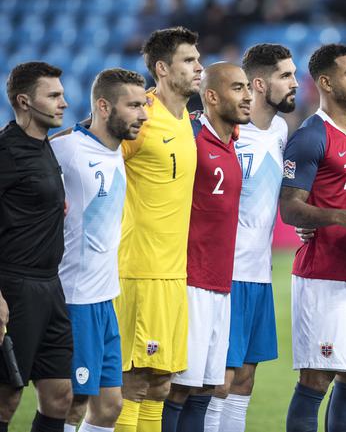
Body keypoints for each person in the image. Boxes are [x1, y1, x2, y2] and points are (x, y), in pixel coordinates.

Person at [279, 43, 346, 432]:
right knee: (315, 381)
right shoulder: (311, 136)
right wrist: (337, 216)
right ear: (325, 82)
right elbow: (289, 207)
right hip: (324, 277)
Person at [112, 26, 203, 432]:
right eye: (189, 60)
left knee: (161, 384)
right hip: (139, 271)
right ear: (162, 68)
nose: (199, 66)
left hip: (173, 273)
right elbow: (86, 146)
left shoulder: (185, 119)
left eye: (198, 58)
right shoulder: (140, 116)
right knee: (132, 383)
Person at [204, 44, 297, 432]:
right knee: (218, 382)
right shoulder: (221, 132)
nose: (295, 83)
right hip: (223, 275)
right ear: (259, 84)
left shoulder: (279, 130)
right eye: (286, 76)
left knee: (244, 380)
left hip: (258, 272)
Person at [51, 68, 148, 432]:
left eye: (144, 104)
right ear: (104, 107)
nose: (143, 114)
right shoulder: (67, 150)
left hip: (105, 298)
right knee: (71, 404)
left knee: (109, 406)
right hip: (75, 299)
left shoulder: (115, 150)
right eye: (134, 105)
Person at [161, 62, 251, 432]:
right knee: (177, 390)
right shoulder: (190, 137)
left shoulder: (232, 142)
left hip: (220, 284)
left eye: (248, 87)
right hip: (190, 282)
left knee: (205, 388)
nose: (248, 96)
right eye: (238, 88)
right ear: (212, 96)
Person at [0, 61, 71, 432]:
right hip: (15, 288)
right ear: (25, 101)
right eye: (54, 95)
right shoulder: (5, 152)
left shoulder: (47, 145)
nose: (64, 102)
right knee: (7, 397)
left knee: (61, 395)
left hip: (51, 286)